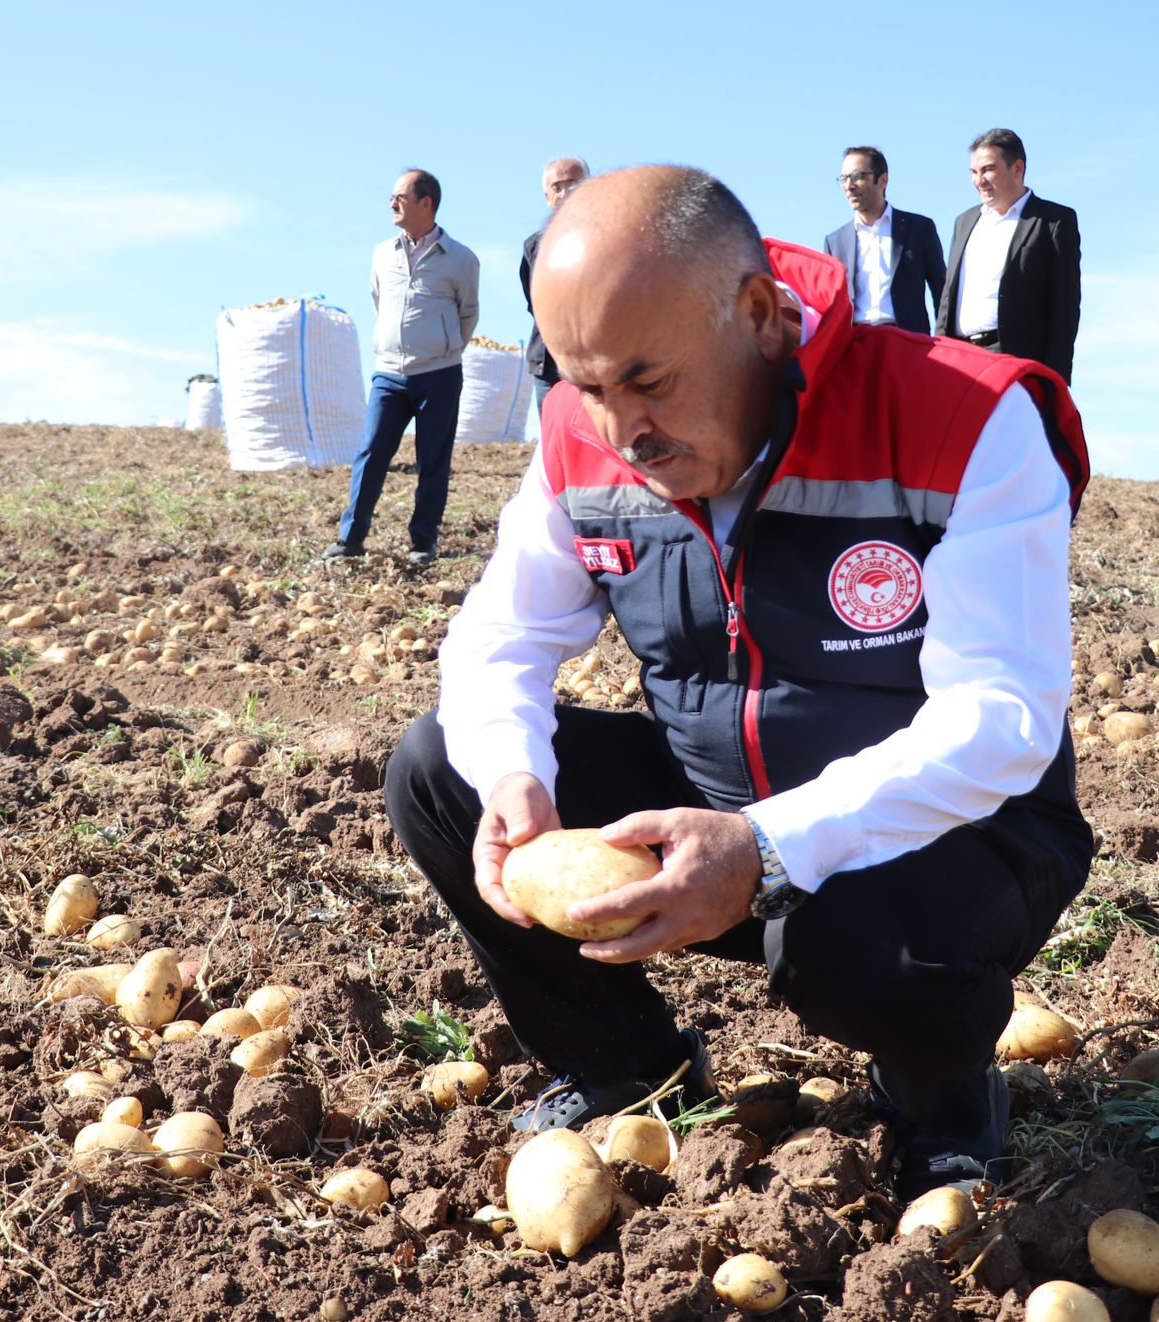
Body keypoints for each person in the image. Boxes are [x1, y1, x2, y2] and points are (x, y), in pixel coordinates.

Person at [385, 165, 1094, 1199]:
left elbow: (1001, 718)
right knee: (435, 769)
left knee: (842, 941)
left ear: (759, 315)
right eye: (585, 385)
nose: (620, 429)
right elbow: (498, 638)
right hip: (714, 807)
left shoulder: (964, 417)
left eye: (647, 380)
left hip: (953, 832)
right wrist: (512, 778)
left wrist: (768, 848)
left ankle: (941, 1102)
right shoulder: (581, 438)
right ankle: (627, 1067)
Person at [325, 168, 480, 565]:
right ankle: (350, 539)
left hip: (439, 374)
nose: (391, 204)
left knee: (433, 460)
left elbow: (468, 314)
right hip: (389, 373)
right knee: (371, 452)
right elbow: (379, 300)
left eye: (400, 197)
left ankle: (422, 543)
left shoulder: (461, 259)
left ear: (425, 203)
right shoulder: (382, 253)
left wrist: (442, 347)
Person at [938, 129, 1080, 384]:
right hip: (961, 360)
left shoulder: (1053, 221)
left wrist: (1054, 380)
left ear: (1017, 168)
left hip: (1016, 361)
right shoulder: (964, 222)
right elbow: (948, 300)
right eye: (974, 172)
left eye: (988, 169)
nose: (979, 180)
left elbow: (1065, 308)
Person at [822, 145, 945, 334]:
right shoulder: (835, 242)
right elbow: (829, 303)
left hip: (907, 342)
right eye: (844, 178)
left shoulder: (919, 228)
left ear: (883, 180)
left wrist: (944, 341)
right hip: (855, 344)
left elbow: (942, 290)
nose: (849, 186)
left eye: (858, 176)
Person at [522, 157, 590, 418]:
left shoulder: (609, 237)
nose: (564, 193)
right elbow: (534, 303)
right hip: (549, 365)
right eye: (557, 187)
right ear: (547, 196)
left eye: (573, 184)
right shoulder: (534, 246)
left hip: (595, 363)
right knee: (554, 445)